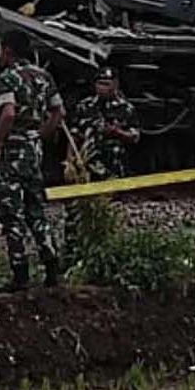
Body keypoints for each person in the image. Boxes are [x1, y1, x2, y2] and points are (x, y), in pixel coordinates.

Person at [0, 33, 64, 291]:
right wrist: (39, 135)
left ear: (7, 50)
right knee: (36, 209)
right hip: (34, 149)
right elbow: (58, 112)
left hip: (13, 151)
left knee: (10, 211)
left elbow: (8, 113)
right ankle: (52, 267)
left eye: (0, 49)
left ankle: (20, 273)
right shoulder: (44, 76)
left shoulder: (7, 78)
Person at [65, 69, 140, 254]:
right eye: (99, 83)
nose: (102, 87)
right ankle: (74, 251)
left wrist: (118, 133)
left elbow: (135, 136)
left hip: (112, 167)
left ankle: (107, 251)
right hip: (87, 167)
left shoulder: (126, 109)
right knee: (77, 211)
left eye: (106, 83)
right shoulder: (85, 107)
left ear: (115, 84)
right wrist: (69, 161)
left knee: (110, 211)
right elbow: (74, 135)